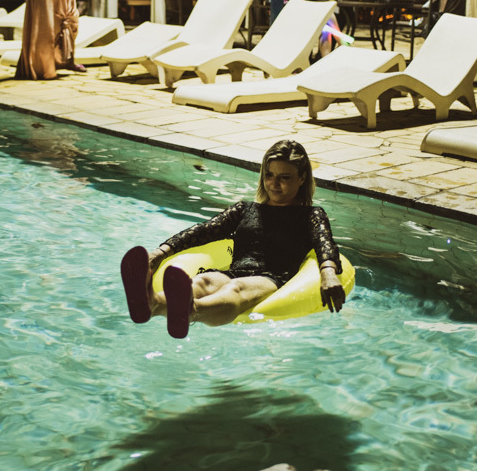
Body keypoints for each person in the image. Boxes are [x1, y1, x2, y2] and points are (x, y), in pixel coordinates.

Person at [120, 140, 346, 339]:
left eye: (284, 178)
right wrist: (160, 253)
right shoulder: (245, 210)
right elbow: (203, 230)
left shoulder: (311, 215)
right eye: (269, 175)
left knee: (235, 288)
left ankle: (189, 311)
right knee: (203, 282)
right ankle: (153, 303)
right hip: (235, 271)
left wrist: (328, 273)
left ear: (302, 178)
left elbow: (324, 243)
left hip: (272, 278)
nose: (274, 183)